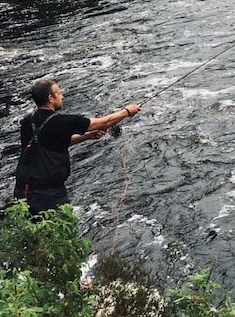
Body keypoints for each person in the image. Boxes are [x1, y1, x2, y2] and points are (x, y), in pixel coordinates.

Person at [15, 77, 141, 215]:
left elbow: (51, 142)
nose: (62, 97)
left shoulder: (28, 121)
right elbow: (104, 122)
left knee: (33, 226)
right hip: (48, 195)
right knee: (61, 226)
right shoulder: (62, 122)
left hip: (22, 190)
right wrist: (127, 111)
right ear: (50, 98)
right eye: (59, 93)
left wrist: (86, 136)